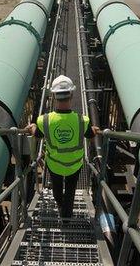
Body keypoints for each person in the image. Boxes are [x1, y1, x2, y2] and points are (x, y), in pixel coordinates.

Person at [26, 75, 100, 218]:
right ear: (71, 94)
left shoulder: (44, 120)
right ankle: (67, 215)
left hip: (55, 164)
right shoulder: (82, 121)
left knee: (57, 188)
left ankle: (60, 206)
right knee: (71, 190)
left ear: (54, 95)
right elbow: (90, 135)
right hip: (74, 164)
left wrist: (33, 127)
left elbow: (38, 135)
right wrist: (94, 130)